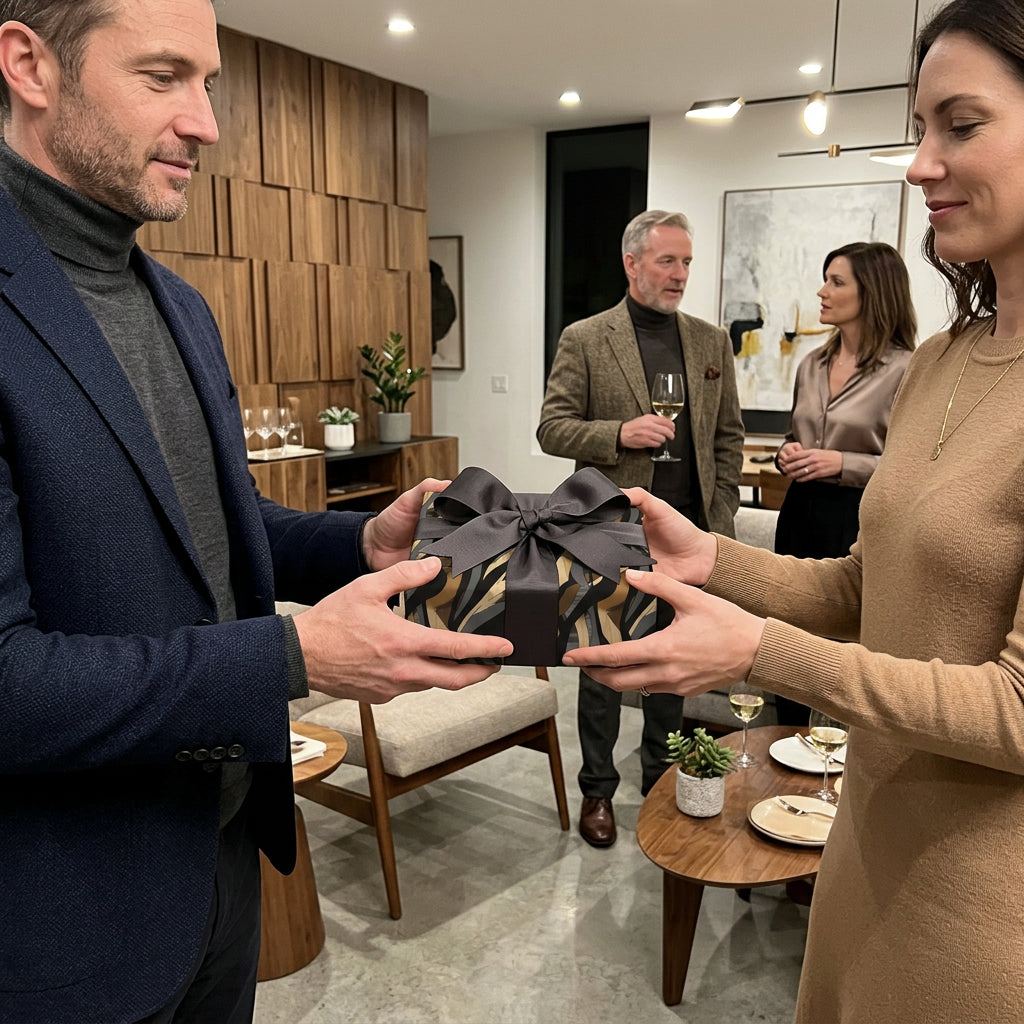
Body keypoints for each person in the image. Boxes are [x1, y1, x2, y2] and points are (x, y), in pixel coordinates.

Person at [0, 3, 512, 1023]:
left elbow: (214, 541)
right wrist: (296, 657)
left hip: (226, 869)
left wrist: (359, 540)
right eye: (162, 77)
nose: (207, 124)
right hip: (65, 930)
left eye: (210, 82)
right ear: (28, 67)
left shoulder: (180, 305)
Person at [565, 1, 1024, 1018]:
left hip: (983, 914)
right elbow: (869, 585)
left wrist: (756, 650)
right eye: (917, 129)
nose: (917, 165)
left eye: (960, 124)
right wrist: (712, 559)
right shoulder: (946, 360)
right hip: (866, 842)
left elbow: (1015, 708)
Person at [537, 210, 743, 847]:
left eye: (686, 262)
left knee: (670, 667)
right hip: (608, 528)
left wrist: (724, 515)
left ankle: (662, 778)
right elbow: (552, 428)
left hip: (687, 534)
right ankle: (597, 790)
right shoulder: (587, 338)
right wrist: (618, 433)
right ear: (632, 264)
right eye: (667, 261)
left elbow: (727, 438)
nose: (680, 274)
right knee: (603, 664)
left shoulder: (711, 344)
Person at [772, 241, 916, 725]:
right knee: (786, 633)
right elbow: (794, 437)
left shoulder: (906, 370)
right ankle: (784, 754)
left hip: (859, 519)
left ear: (871, 292)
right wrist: (785, 453)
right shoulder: (810, 363)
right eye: (825, 278)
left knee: (841, 645)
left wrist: (842, 463)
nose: (822, 291)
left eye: (837, 281)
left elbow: (913, 467)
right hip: (800, 512)